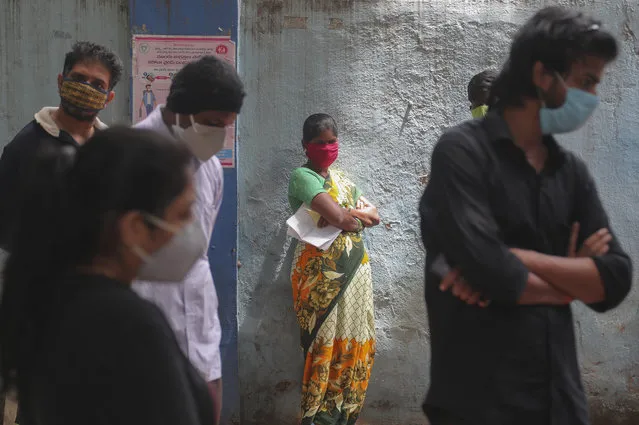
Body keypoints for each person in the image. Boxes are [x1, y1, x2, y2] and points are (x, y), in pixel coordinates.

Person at [419, 6, 632, 425]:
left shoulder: (570, 174)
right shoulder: (462, 152)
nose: (591, 97)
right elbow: (487, 267)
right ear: (542, 75)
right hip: (479, 403)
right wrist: (572, 277)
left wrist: (511, 258)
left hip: (560, 401)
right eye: (585, 81)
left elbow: (616, 278)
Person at [0, 127, 215, 425]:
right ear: (135, 228)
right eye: (183, 214)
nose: (193, 229)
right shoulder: (129, 325)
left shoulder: (49, 295)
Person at [132, 55, 245, 425]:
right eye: (213, 123)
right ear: (179, 111)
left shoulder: (211, 167)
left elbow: (199, 248)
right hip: (141, 326)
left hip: (199, 325)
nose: (219, 134)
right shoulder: (129, 157)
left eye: (227, 126)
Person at [288, 113, 381, 425]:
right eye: (320, 143)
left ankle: (344, 417)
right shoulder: (303, 177)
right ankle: (317, 418)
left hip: (355, 276)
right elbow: (346, 221)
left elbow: (374, 216)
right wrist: (349, 217)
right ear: (306, 146)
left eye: (332, 142)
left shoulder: (344, 181)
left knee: (354, 343)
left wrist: (346, 212)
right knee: (322, 346)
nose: (327, 148)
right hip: (319, 280)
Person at [0, 41, 123, 251]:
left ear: (108, 98)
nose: (86, 88)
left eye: (98, 85)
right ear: (61, 82)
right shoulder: (25, 147)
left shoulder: (114, 149)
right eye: (78, 78)